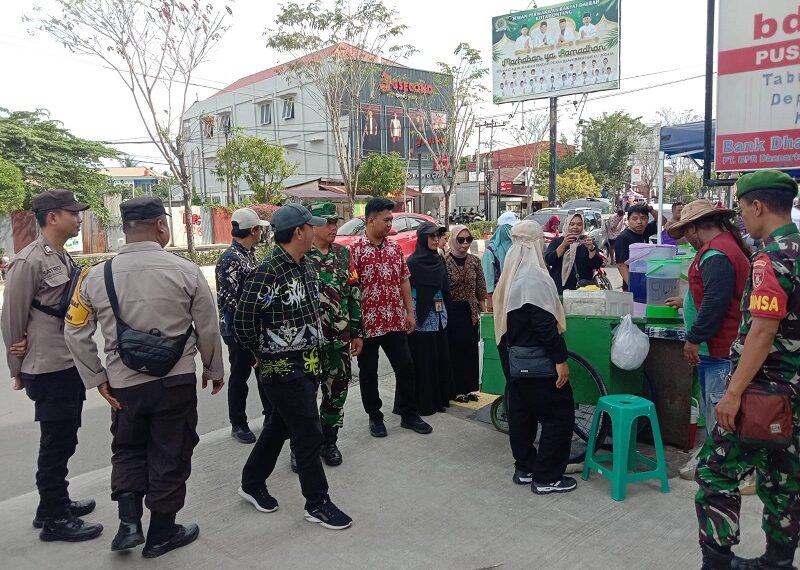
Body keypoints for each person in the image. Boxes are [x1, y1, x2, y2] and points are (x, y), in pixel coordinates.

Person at [64, 197, 224, 556]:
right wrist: (214, 369)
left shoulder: (96, 275)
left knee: (128, 448)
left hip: (124, 385)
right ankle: (162, 533)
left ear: (125, 228)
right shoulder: (185, 270)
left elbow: (74, 330)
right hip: (176, 381)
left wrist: (97, 378)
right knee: (172, 451)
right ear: (161, 225)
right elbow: (208, 327)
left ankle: (129, 525)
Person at [694, 170, 800, 569]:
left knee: (715, 470)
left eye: (741, 209)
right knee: (784, 478)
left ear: (757, 206)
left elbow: (762, 331)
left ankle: (717, 561)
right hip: (795, 395)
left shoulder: (771, 258)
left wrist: (733, 392)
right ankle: (778, 561)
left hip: (762, 392)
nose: (742, 218)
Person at [235, 203, 353, 531]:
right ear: (300, 232)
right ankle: (317, 503)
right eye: (311, 226)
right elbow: (242, 320)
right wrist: (261, 351)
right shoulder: (268, 269)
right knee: (307, 432)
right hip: (282, 370)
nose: (317, 230)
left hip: (308, 364)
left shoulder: (303, 266)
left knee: (279, 425)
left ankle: (251, 482)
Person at [1, 190, 102, 542]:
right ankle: (55, 520)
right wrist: (16, 368)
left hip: (66, 361)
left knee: (65, 436)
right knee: (56, 441)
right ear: (52, 216)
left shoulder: (61, 256)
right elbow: (11, 316)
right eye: (72, 213)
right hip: (47, 366)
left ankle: (51, 504)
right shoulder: (29, 260)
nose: (78, 218)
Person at [663, 201, 750, 485]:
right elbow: (709, 293)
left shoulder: (716, 253)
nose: (686, 239)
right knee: (715, 409)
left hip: (720, 349)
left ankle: (722, 470)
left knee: (720, 414)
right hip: (717, 349)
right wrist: (686, 301)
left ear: (693, 228)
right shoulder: (721, 248)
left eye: (686, 231)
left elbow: (715, 302)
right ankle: (717, 459)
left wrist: (693, 339)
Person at [493, 221, 576, 495]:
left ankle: (526, 468)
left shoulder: (510, 274)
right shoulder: (534, 279)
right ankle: (547, 477)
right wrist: (560, 359)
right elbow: (543, 326)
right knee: (558, 416)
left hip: (513, 361)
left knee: (522, 415)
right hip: (538, 363)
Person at [350, 197, 433, 437]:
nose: (389, 224)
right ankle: (375, 417)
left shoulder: (395, 248)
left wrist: (410, 312)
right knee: (368, 373)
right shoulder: (354, 251)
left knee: (406, 367)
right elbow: (349, 291)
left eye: (390, 219)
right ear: (371, 219)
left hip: (394, 320)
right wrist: (354, 328)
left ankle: (409, 414)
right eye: (386, 219)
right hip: (368, 324)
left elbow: (404, 280)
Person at [306, 202, 364, 466]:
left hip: (338, 339)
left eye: (335, 221)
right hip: (307, 340)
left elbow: (353, 293)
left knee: (337, 390)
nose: (334, 226)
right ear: (313, 225)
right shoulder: (301, 255)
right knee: (305, 394)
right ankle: (302, 446)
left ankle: (329, 442)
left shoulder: (343, 255)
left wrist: (357, 333)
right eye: (328, 222)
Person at [215, 207, 272, 444]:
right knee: (240, 376)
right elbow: (232, 304)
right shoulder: (230, 259)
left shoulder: (248, 255)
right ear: (253, 230)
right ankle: (238, 423)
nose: (262, 233)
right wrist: (248, 342)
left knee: (264, 374)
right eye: (259, 228)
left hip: (252, 329)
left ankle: (271, 416)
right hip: (236, 330)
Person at [406, 222, 452, 416]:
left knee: (439, 357)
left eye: (437, 236)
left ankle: (438, 400)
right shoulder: (413, 262)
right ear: (422, 238)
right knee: (424, 360)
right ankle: (424, 403)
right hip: (421, 316)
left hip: (439, 315)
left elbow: (444, 286)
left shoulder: (438, 259)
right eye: (431, 236)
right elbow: (407, 291)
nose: (435, 240)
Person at [445, 225, 488, 402]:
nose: (464, 244)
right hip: (452, 311)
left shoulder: (474, 261)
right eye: (460, 240)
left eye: (468, 240)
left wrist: (484, 310)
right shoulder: (445, 261)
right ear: (453, 240)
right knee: (455, 351)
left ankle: (469, 388)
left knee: (470, 351)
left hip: (470, 311)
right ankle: (455, 389)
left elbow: (481, 288)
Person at [545, 212, 602, 294]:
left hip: (583, 289)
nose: (575, 227)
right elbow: (548, 260)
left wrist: (591, 249)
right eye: (572, 224)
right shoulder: (557, 241)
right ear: (567, 225)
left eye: (579, 224)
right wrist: (563, 245)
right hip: (560, 289)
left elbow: (597, 265)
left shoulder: (587, 241)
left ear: (583, 226)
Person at [614, 204, 658, 291]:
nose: (639, 222)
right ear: (628, 220)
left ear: (647, 219)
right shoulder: (623, 238)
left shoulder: (646, 231)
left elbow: (662, 221)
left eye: (643, 218)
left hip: (648, 281)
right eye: (634, 218)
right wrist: (633, 286)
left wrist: (651, 209)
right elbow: (621, 265)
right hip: (633, 286)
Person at [483, 211, 519, 311]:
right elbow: (488, 281)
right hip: (499, 299)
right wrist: (490, 302)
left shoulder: (518, 247)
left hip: (517, 298)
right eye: (511, 227)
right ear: (503, 229)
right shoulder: (490, 252)